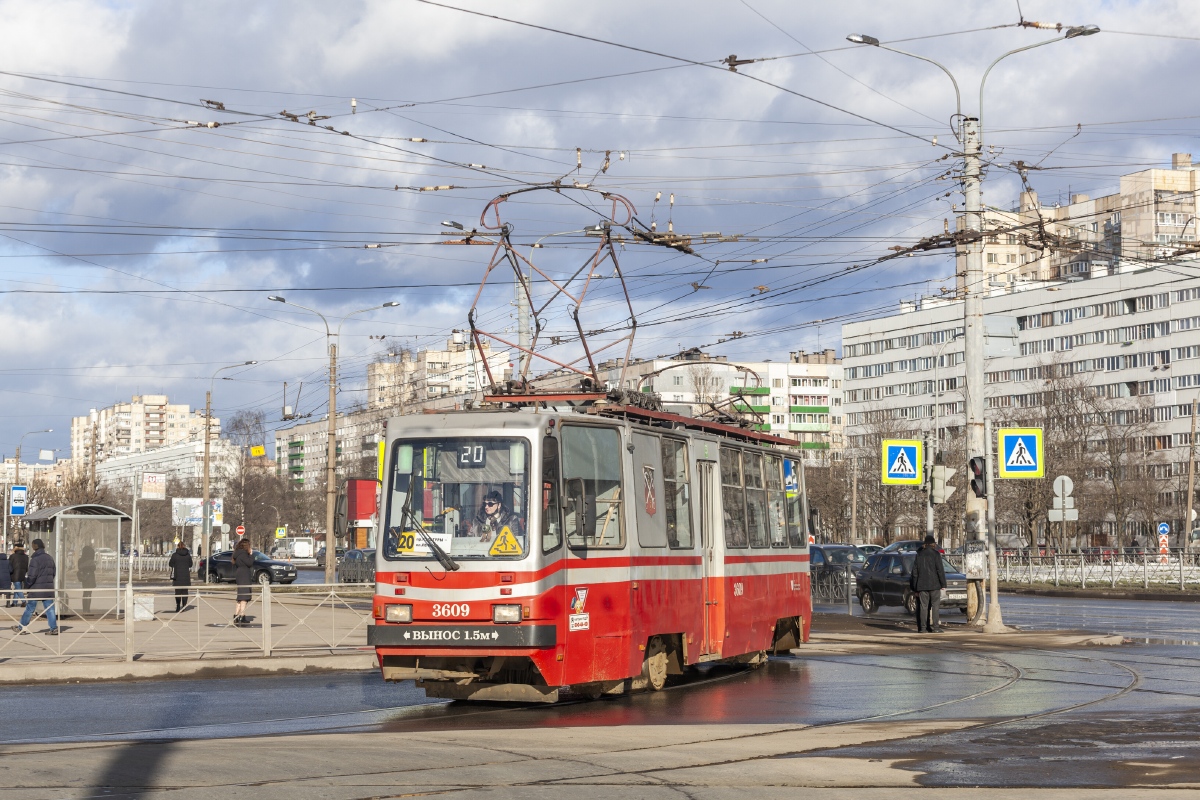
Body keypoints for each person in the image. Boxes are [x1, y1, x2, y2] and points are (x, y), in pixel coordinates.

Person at [13, 539, 57, 635]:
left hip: (36, 588)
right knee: (50, 608)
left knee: (30, 608)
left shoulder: (35, 560)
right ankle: (54, 628)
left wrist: (27, 585)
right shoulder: (49, 558)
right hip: (48, 588)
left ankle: (22, 627)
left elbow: (32, 576)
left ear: (35, 546)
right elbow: (53, 573)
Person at [910, 535, 946, 634]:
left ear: (925, 544)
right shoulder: (936, 554)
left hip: (922, 585)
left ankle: (923, 628)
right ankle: (936, 627)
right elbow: (940, 570)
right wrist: (943, 584)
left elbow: (915, 572)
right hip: (935, 584)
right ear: (933, 544)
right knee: (935, 606)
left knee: (923, 606)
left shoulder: (919, 555)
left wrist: (915, 587)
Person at [232, 538, 254, 625]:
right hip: (244, 574)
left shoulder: (237, 553)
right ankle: (242, 616)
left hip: (239, 573)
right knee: (244, 596)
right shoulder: (244, 554)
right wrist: (251, 555)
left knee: (240, 596)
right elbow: (249, 563)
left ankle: (236, 616)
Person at [167, 542, 193, 612]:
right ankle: (184, 606)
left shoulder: (175, 555)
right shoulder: (188, 555)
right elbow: (190, 565)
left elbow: (170, 564)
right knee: (185, 592)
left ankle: (178, 606)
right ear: (184, 546)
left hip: (177, 576)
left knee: (177, 592)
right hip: (186, 576)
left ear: (178, 546)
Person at [77, 544, 96, 615]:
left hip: (84, 578)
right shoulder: (90, 560)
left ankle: (85, 609)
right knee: (88, 594)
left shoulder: (81, 560)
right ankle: (87, 610)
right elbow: (93, 568)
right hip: (89, 578)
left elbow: (81, 567)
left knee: (85, 594)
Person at [9, 543, 28, 608]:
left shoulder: (13, 556)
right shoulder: (26, 556)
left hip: (15, 574)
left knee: (18, 588)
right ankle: (14, 602)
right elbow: (26, 566)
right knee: (17, 588)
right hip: (22, 574)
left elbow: (9, 565)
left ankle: (24, 601)